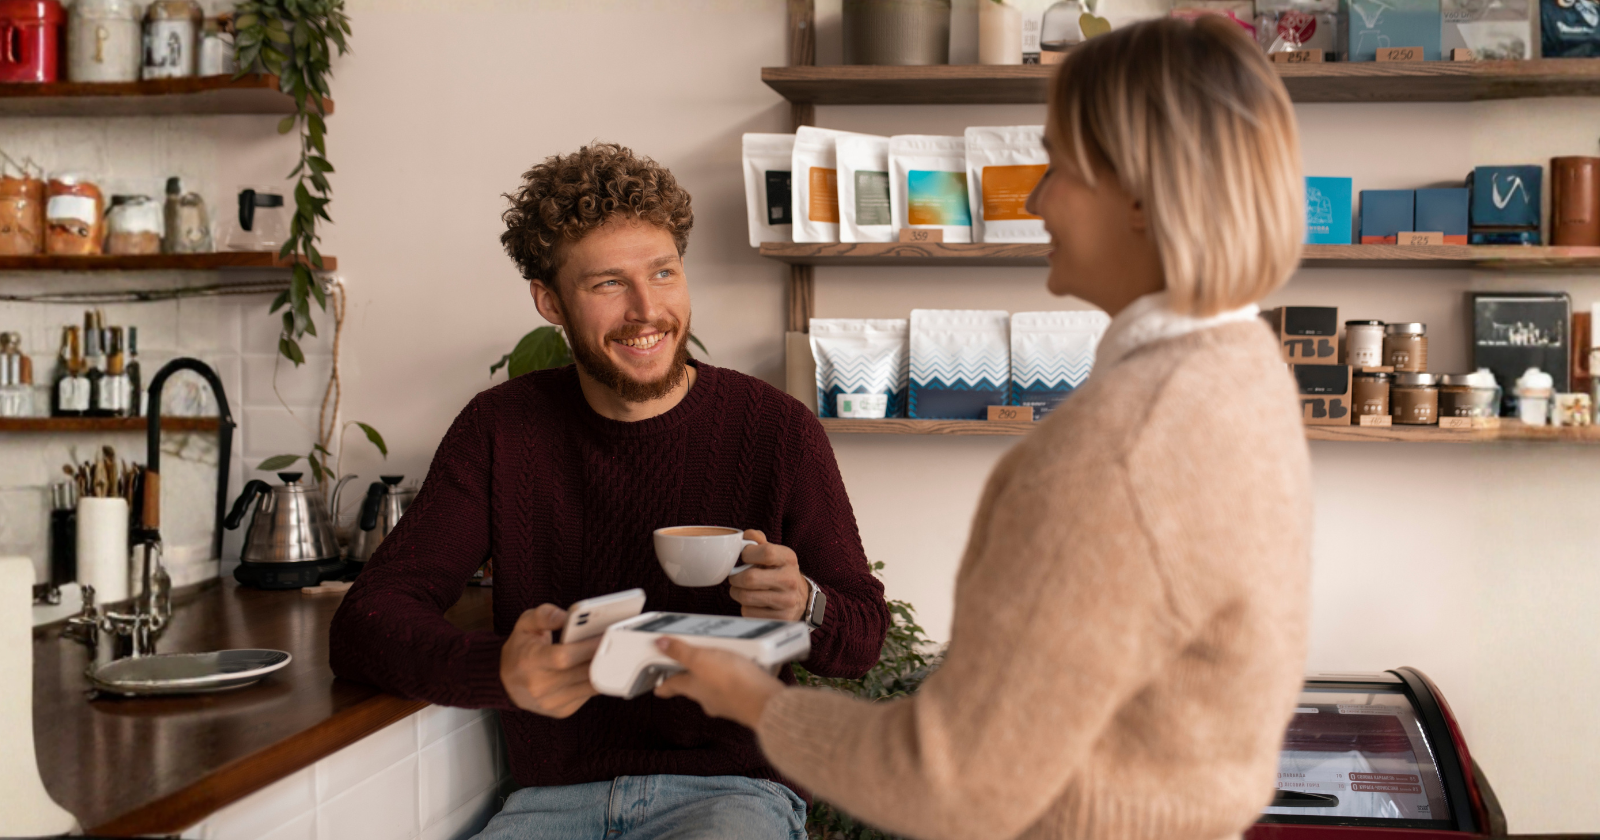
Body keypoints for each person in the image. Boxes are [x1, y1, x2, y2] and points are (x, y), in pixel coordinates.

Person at [652, 17, 1314, 840]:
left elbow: (949, 785)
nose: (1035, 199)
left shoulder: (1118, 450)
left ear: (1144, 196)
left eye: (1061, 167)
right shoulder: (1248, 368)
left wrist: (751, 698)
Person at [328, 143, 890, 840]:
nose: (647, 310)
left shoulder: (775, 429)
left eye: (663, 273)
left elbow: (863, 636)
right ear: (549, 302)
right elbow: (365, 623)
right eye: (607, 285)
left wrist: (807, 605)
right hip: (551, 803)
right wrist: (498, 670)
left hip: (733, 795)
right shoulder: (502, 429)